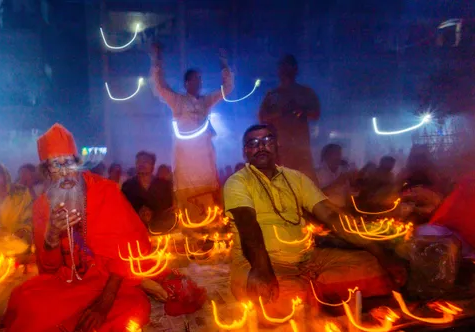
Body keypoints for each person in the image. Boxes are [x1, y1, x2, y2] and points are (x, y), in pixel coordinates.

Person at [223, 125, 405, 314]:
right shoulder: (238, 182)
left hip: (306, 259)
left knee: (372, 267)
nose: (261, 146)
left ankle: (315, 295)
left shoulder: (296, 178)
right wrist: (261, 269)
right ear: (245, 152)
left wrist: (379, 252)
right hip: (256, 262)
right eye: (253, 143)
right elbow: (247, 225)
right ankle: (310, 299)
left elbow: (330, 215)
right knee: (284, 298)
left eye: (267, 141)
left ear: (277, 146)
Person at [3, 123, 152, 332]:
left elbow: (129, 251)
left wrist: (103, 305)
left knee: (137, 309)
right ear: (46, 171)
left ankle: (75, 319)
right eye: (56, 165)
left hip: (107, 281)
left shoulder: (106, 191)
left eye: (69, 163)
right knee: (25, 302)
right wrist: (52, 234)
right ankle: (76, 317)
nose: (64, 172)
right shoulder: (42, 206)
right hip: (70, 283)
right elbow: (49, 268)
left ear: (77, 163)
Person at [150, 43, 233, 219]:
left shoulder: (206, 101)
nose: (199, 83)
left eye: (200, 80)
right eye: (195, 79)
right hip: (185, 163)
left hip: (205, 162)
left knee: (209, 211)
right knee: (188, 213)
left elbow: (227, 90)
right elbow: (160, 87)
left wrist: (224, 65)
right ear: (187, 83)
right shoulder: (177, 101)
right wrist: (156, 60)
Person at [259, 55, 320, 181]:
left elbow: (316, 114)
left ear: (295, 70)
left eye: (289, 67)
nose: (285, 71)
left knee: (304, 185)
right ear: (279, 71)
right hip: (280, 150)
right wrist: (281, 113)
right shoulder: (272, 95)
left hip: (301, 150)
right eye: (283, 67)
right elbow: (262, 117)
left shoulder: (305, 93)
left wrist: (301, 111)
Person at [0, 163, 33, 240]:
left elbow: (30, 221)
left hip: (20, 243)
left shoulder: (22, 193)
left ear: (5, 176)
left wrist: (21, 232)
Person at [122, 151, 174, 230]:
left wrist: (154, 214)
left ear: (152, 166)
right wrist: (138, 213)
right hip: (136, 231)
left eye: (145, 161)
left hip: (160, 230)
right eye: (138, 162)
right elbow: (123, 210)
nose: (141, 164)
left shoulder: (163, 185)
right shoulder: (127, 186)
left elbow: (169, 210)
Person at [315, 144, 353, 209]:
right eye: (335, 154)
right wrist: (336, 184)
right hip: (325, 213)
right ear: (326, 156)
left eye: (339, 154)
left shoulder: (343, 172)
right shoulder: (317, 173)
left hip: (342, 211)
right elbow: (315, 197)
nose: (338, 157)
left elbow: (348, 195)